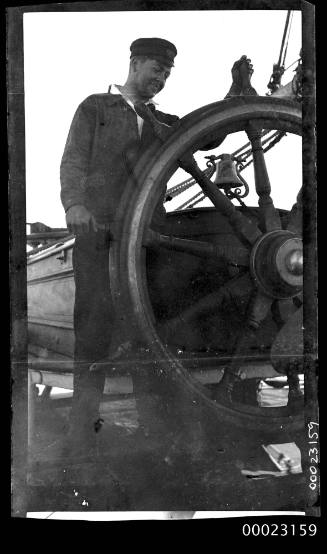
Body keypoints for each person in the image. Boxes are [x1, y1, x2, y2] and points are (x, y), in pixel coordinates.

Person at [60, 38, 256, 460]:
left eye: (167, 73)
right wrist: (74, 204)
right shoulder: (96, 108)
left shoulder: (164, 122)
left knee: (151, 335)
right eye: (156, 69)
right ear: (134, 64)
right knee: (92, 334)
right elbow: (73, 160)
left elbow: (208, 135)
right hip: (98, 236)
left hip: (150, 241)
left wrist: (235, 96)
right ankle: (79, 439)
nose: (162, 78)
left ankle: (154, 434)